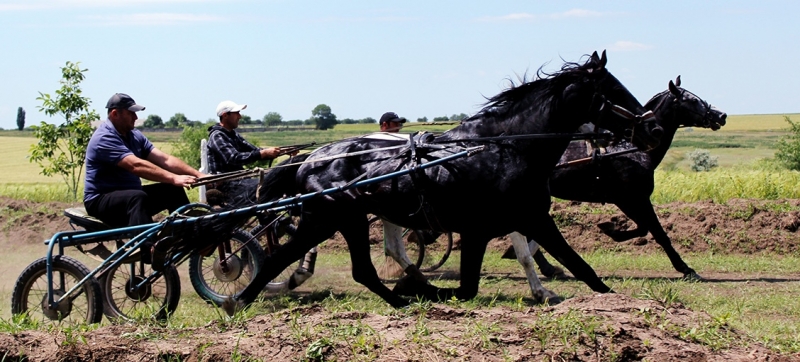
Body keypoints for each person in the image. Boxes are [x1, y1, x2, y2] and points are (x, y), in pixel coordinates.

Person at [84, 93, 204, 257]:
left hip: (129, 198)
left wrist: (199, 175)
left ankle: (191, 239)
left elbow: (165, 159)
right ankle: (149, 250)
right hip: (100, 200)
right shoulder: (104, 137)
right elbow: (136, 165)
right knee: (137, 197)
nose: (136, 117)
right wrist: (174, 177)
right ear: (115, 114)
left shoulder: (134, 135)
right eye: (131, 113)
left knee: (172, 190)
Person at [206, 100, 285, 207]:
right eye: (236, 113)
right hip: (226, 184)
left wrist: (282, 151)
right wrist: (262, 153)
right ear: (225, 115)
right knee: (268, 184)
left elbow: (255, 150)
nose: (240, 116)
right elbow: (233, 158)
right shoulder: (217, 136)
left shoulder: (232, 134)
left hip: (239, 180)